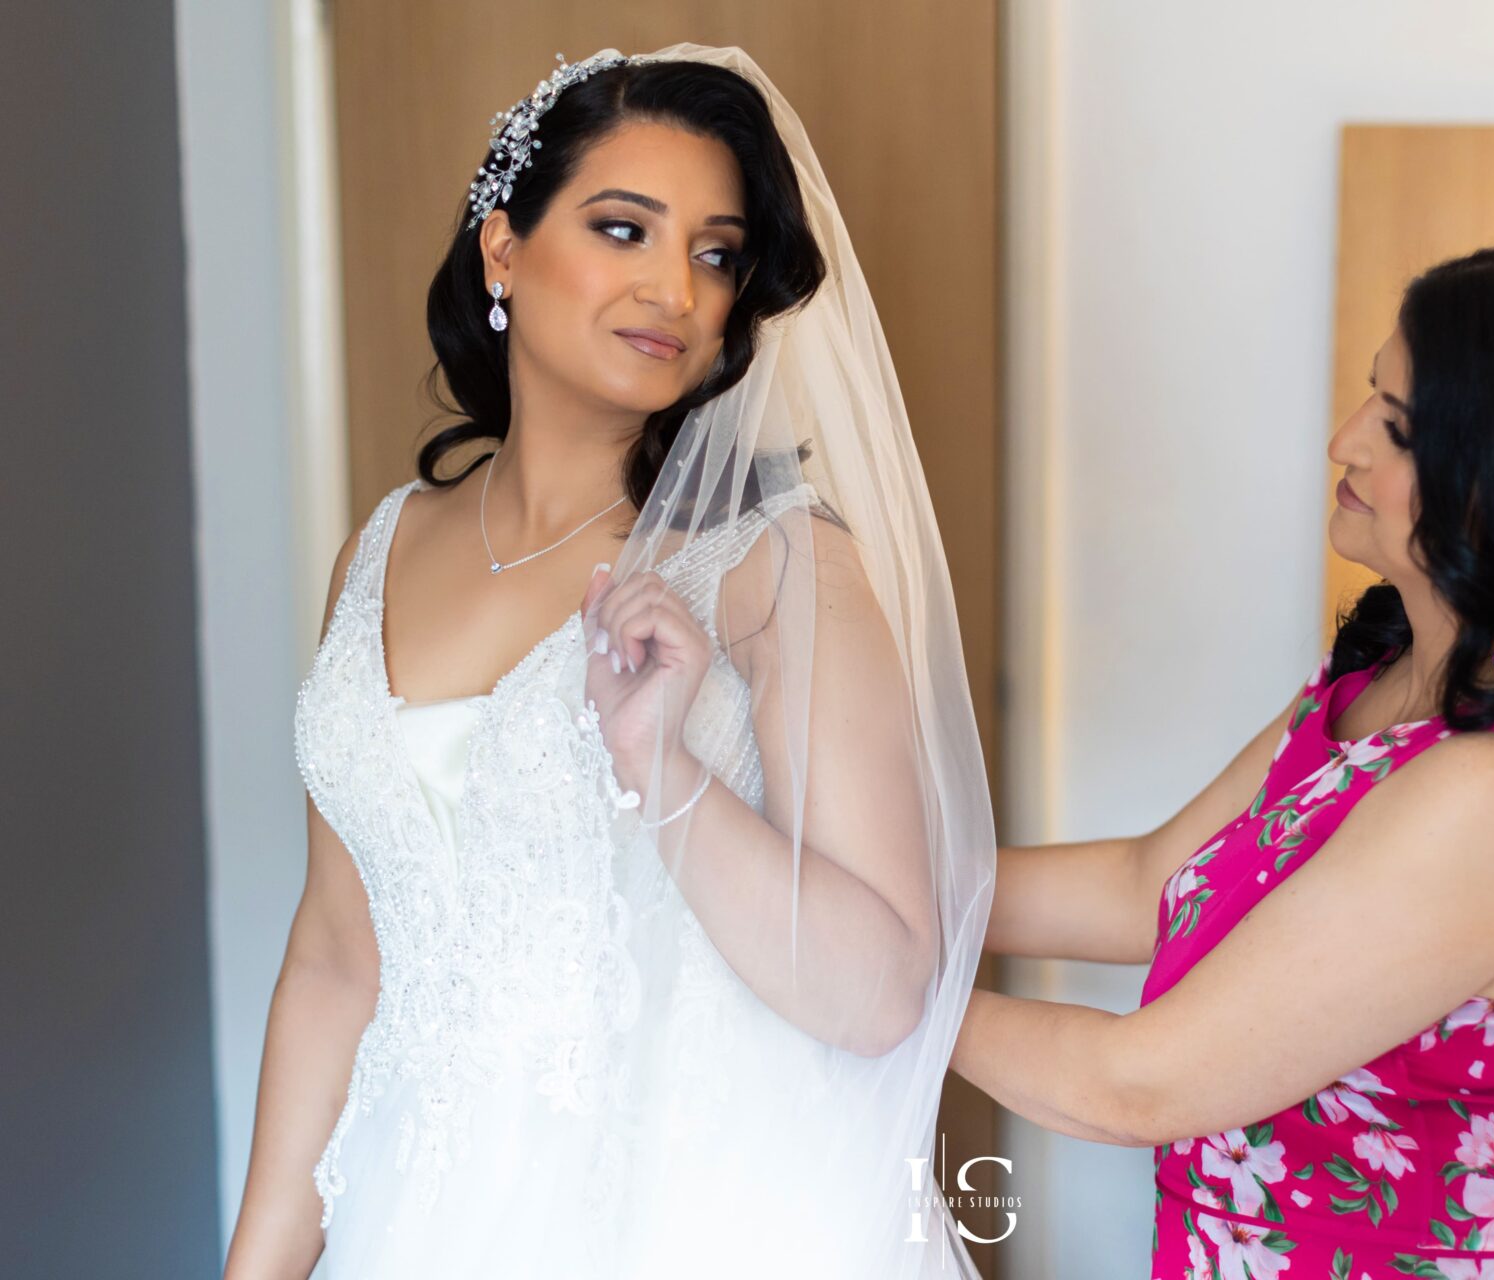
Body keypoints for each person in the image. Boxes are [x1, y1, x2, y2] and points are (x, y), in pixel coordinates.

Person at [224, 44, 994, 1279]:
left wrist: (660, 766)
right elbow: (335, 957)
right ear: (503, 248)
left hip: (693, 1222)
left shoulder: (772, 568)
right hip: (416, 1220)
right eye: (625, 229)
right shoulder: (379, 549)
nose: (676, 292)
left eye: (714, 254)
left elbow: (883, 989)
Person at [952, 240, 1494, 1280]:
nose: (1342, 442)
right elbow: (1145, 885)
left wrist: (870, 974)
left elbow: (1137, 1086)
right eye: (1368, 397)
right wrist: (867, 882)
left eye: (1394, 426)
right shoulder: (1384, 681)